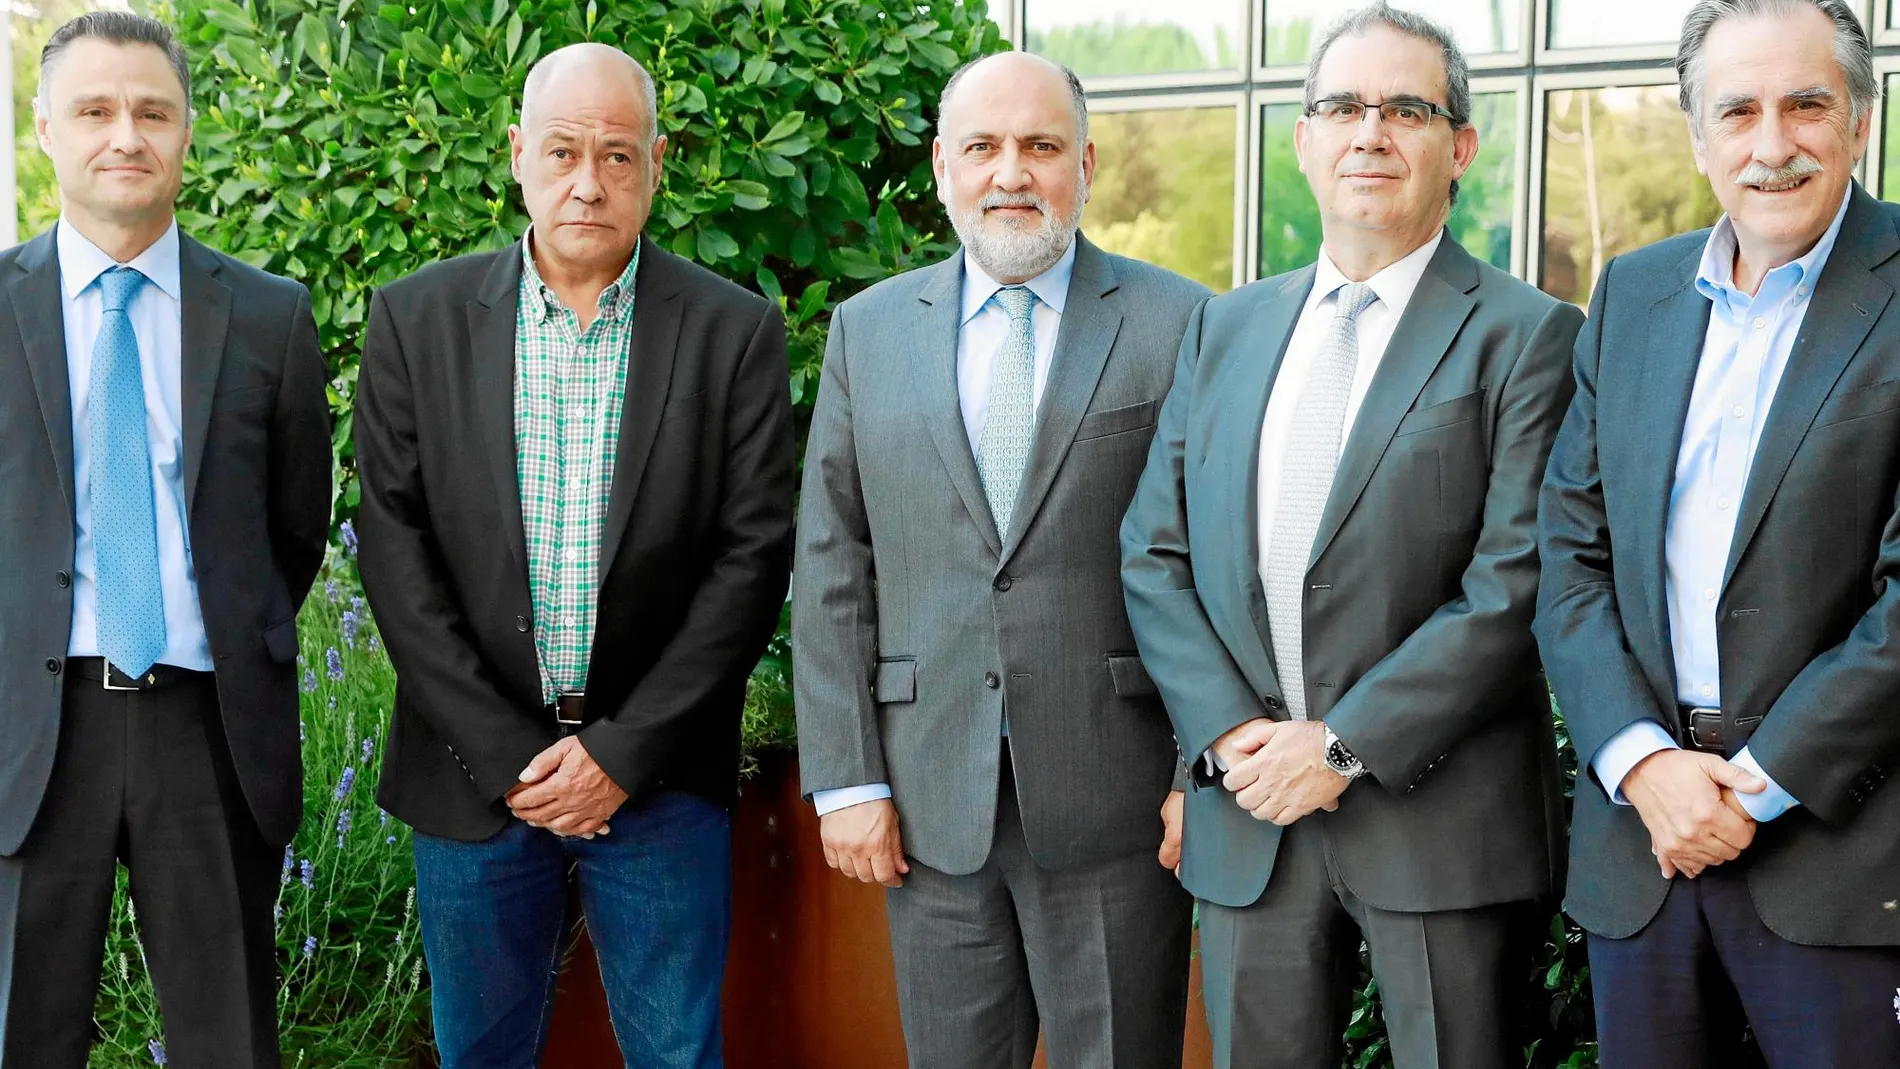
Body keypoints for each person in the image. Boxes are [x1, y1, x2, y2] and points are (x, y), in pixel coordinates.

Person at [1123, 6, 1583, 1067]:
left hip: (1438, 821)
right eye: (1340, 106)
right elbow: (1154, 550)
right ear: (1302, 139)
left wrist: (1339, 747)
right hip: (1250, 819)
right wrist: (1230, 735)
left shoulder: (1528, 336)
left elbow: (1511, 582)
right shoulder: (1225, 326)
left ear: (1459, 146)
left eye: (1405, 109)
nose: (1368, 132)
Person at [352, 42, 794, 1068]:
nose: (587, 182)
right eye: (560, 152)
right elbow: (395, 552)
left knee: (677, 1053)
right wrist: (511, 759)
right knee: (481, 1055)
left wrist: (618, 756)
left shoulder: (733, 332)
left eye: (617, 155)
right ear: (517, 155)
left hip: (659, 783)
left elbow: (749, 560)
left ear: (654, 164)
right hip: (472, 781)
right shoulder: (414, 320)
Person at [792, 50, 1208, 1069]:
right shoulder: (868, 331)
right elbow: (833, 559)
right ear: (942, 166)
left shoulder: (1181, 322)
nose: (1010, 171)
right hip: (925, 806)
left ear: (1087, 164)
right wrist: (844, 780)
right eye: (982, 146)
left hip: (1117, 806)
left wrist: (1200, 769)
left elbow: (1214, 564)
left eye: (1039, 146)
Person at [1536, 1, 1900, 1064]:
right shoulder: (1633, 294)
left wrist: (1758, 780)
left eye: (1805, 106)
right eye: (1735, 111)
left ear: (1860, 120)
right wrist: (1643, 764)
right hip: (1640, 846)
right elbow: (1570, 550)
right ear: (1697, 137)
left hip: (1844, 852)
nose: (1771, 143)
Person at [0, 12, 331, 1067]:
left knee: (229, 1039)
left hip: (208, 730)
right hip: (30, 738)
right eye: (95, 111)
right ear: (47, 128)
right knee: (22, 1034)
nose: (125, 136)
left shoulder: (271, 317)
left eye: (152, 111)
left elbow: (293, 529)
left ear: (188, 129)